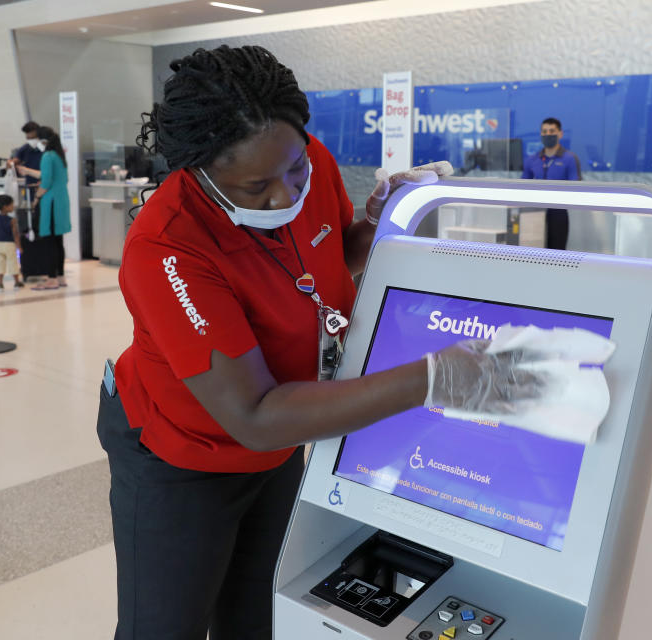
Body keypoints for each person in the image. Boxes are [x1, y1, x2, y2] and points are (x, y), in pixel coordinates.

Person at [97, 44, 548, 640]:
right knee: (166, 626)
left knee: (262, 613)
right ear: (202, 173)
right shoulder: (168, 245)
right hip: (182, 455)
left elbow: (330, 257)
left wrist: (388, 220)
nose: (285, 196)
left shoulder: (302, 161)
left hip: (284, 440)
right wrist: (436, 377)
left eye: (295, 172)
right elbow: (252, 415)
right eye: (256, 187)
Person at [521, 117, 582, 250]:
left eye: (552, 131)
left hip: (558, 213)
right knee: (533, 252)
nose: (548, 134)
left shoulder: (569, 159)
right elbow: (523, 186)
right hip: (533, 213)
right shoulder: (532, 159)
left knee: (557, 255)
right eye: (544, 131)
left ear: (560, 134)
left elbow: (576, 187)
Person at [26, 125, 70, 289]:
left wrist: (36, 197)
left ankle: (51, 278)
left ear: (42, 140)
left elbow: (46, 182)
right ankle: (60, 277)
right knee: (58, 241)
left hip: (50, 203)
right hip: (61, 202)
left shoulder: (47, 156)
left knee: (49, 242)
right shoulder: (59, 156)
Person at [0, 194, 23, 289]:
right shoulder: (12, 220)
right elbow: (15, 234)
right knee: (12, 263)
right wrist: (19, 246)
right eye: (11, 205)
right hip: (9, 244)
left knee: (0, 263)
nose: (13, 206)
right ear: (5, 206)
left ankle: (0, 282)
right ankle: (17, 282)